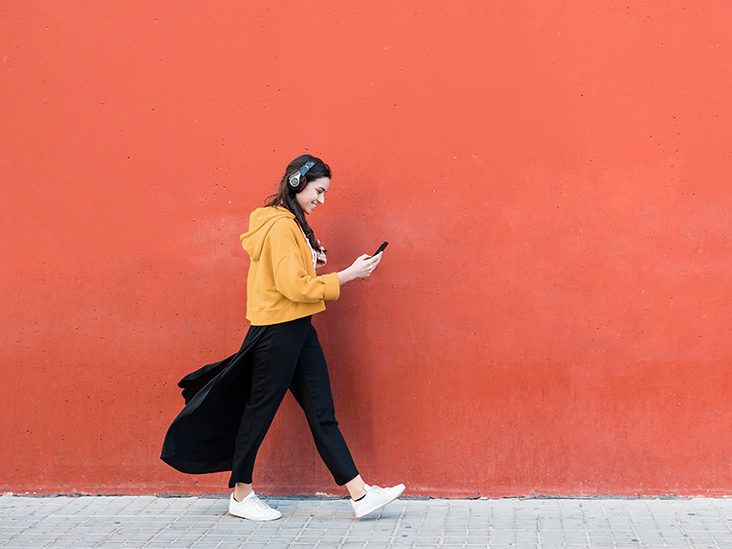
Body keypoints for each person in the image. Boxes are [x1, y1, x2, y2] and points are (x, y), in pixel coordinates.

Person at [160, 153, 406, 521]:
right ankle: (241, 497)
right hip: (277, 331)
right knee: (258, 413)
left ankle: (360, 495)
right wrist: (349, 274)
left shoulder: (291, 224)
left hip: (299, 328)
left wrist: (312, 258)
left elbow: (291, 276)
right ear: (296, 182)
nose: (321, 200)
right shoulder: (279, 227)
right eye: (318, 191)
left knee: (322, 412)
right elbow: (293, 287)